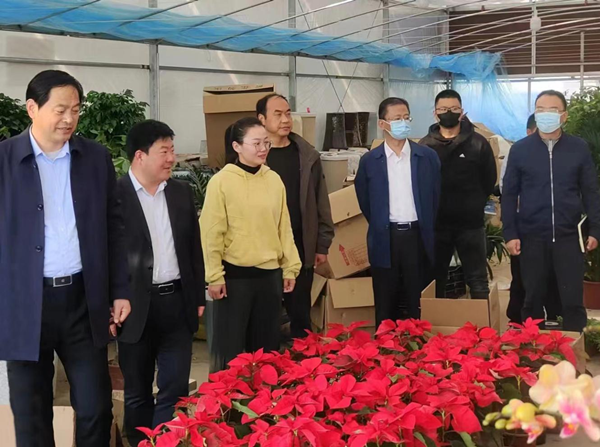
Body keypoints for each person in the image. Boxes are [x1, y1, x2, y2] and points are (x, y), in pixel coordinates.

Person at [0, 70, 130, 447]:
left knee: (95, 408)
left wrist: (120, 289)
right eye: (60, 110)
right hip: (25, 305)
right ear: (32, 108)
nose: (69, 118)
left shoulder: (95, 158)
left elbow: (114, 227)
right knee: (31, 414)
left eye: (75, 109)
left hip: (82, 301)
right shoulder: (5, 160)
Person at [115, 120, 205, 446]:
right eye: (164, 151)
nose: (172, 158)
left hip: (177, 302)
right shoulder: (114, 197)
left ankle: (163, 442)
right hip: (133, 306)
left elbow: (193, 248)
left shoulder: (180, 193)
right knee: (137, 392)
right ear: (140, 156)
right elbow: (104, 255)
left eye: (172, 150)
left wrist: (197, 295)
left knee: (175, 388)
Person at [200, 117, 302, 372]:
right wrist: (214, 276)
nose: (263, 149)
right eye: (256, 143)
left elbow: (283, 227)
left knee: (267, 349)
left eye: (266, 143)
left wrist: (290, 267)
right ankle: (230, 396)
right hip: (234, 279)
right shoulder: (222, 182)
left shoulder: (274, 180)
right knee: (231, 351)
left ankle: (265, 395)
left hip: (269, 277)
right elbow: (211, 233)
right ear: (237, 146)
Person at [503, 90, 600, 332]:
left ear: (564, 116)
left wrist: (595, 229)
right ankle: (532, 347)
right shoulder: (520, 150)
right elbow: (510, 195)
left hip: (569, 237)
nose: (546, 114)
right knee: (532, 298)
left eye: (552, 110)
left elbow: (590, 191)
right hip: (531, 237)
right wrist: (510, 233)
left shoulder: (578, 148)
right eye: (540, 109)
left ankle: (575, 347)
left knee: (572, 300)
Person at [355, 98, 440, 327]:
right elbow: (365, 200)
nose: (403, 122)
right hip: (386, 237)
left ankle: (418, 341)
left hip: (417, 235)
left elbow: (435, 197)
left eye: (406, 117)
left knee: (417, 297)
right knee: (385, 297)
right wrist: (381, 223)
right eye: (396, 119)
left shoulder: (426, 157)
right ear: (382, 124)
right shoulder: (370, 161)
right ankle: (385, 342)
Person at [256, 93, 334, 339]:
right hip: (262, 246)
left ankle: (303, 356)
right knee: (265, 313)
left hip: (300, 243)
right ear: (261, 119)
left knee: (300, 310)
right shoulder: (254, 157)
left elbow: (321, 201)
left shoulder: (307, 155)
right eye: (278, 114)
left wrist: (321, 244)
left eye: (288, 113)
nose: (285, 119)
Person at [419, 89, 496, 300]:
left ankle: (481, 320)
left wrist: (474, 204)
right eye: (443, 109)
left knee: (477, 280)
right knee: (435, 279)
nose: (448, 113)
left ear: (461, 112)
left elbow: (489, 179)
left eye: (453, 109)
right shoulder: (425, 146)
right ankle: (436, 320)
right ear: (435, 113)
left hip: (470, 224)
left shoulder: (478, 143)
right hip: (437, 224)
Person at [501, 114, 562, 325]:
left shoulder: (562, 151)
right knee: (522, 277)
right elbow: (508, 192)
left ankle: (554, 318)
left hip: (556, 227)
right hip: (525, 226)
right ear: (529, 132)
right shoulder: (518, 152)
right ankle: (518, 321)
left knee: (553, 276)